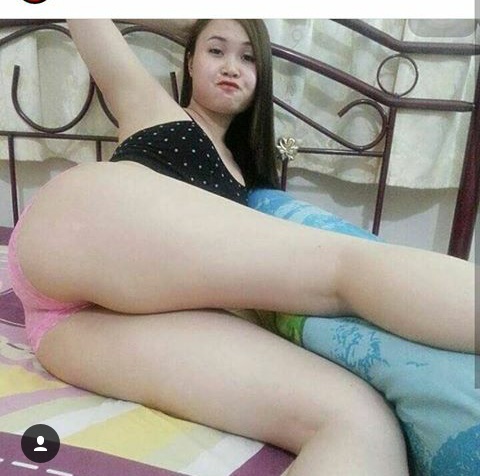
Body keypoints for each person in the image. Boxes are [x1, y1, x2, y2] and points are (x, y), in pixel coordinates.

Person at [7, 19, 474, 475]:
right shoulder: (152, 107)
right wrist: (193, 22)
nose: (232, 66)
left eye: (248, 58)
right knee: (341, 270)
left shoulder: (250, 181)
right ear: (190, 62)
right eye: (216, 50)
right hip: (71, 237)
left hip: (63, 327)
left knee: (360, 422)